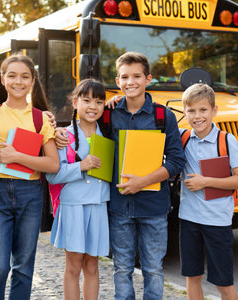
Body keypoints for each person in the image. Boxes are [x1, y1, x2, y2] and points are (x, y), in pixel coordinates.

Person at [56, 52, 185, 299]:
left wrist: (143, 181)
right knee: (122, 268)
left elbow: (177, 161)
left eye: (137, 76)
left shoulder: (163, 116)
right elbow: (83, 123)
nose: (130, 82)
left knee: (153, 269)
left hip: (153, 206)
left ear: (148, 79)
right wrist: (55, 132)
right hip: (119, 206)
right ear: (117, 80)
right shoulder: (108, 113)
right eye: (125, 77)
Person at [0, 54, 59, 300]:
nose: (18, 81)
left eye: (25, 76)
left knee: (24, 266)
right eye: (11, 75)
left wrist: (17, 157)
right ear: (2, 79)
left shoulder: (40, 118)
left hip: (30, 194)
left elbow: (52, 164)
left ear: (33, 81)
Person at [179, 83, 238, 300]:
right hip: (188, 219)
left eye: (203, 110)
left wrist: (205, 181)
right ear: (184, 112)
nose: (197, 116)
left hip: (217, 222)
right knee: (192, 277)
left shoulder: (226, 140)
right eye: (191, 111)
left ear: (214, 111)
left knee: (224, 283)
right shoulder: (182, 138)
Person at [46, 78, 110, 300]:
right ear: (75, 102)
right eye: (87, 100)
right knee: (73, 265)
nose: (93, 106)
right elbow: (53, 175)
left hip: (99, 206)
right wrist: (80, 166)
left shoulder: (107, 135)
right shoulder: (64, 136)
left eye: (99, 102)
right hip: (73, 206)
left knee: (92, 266)